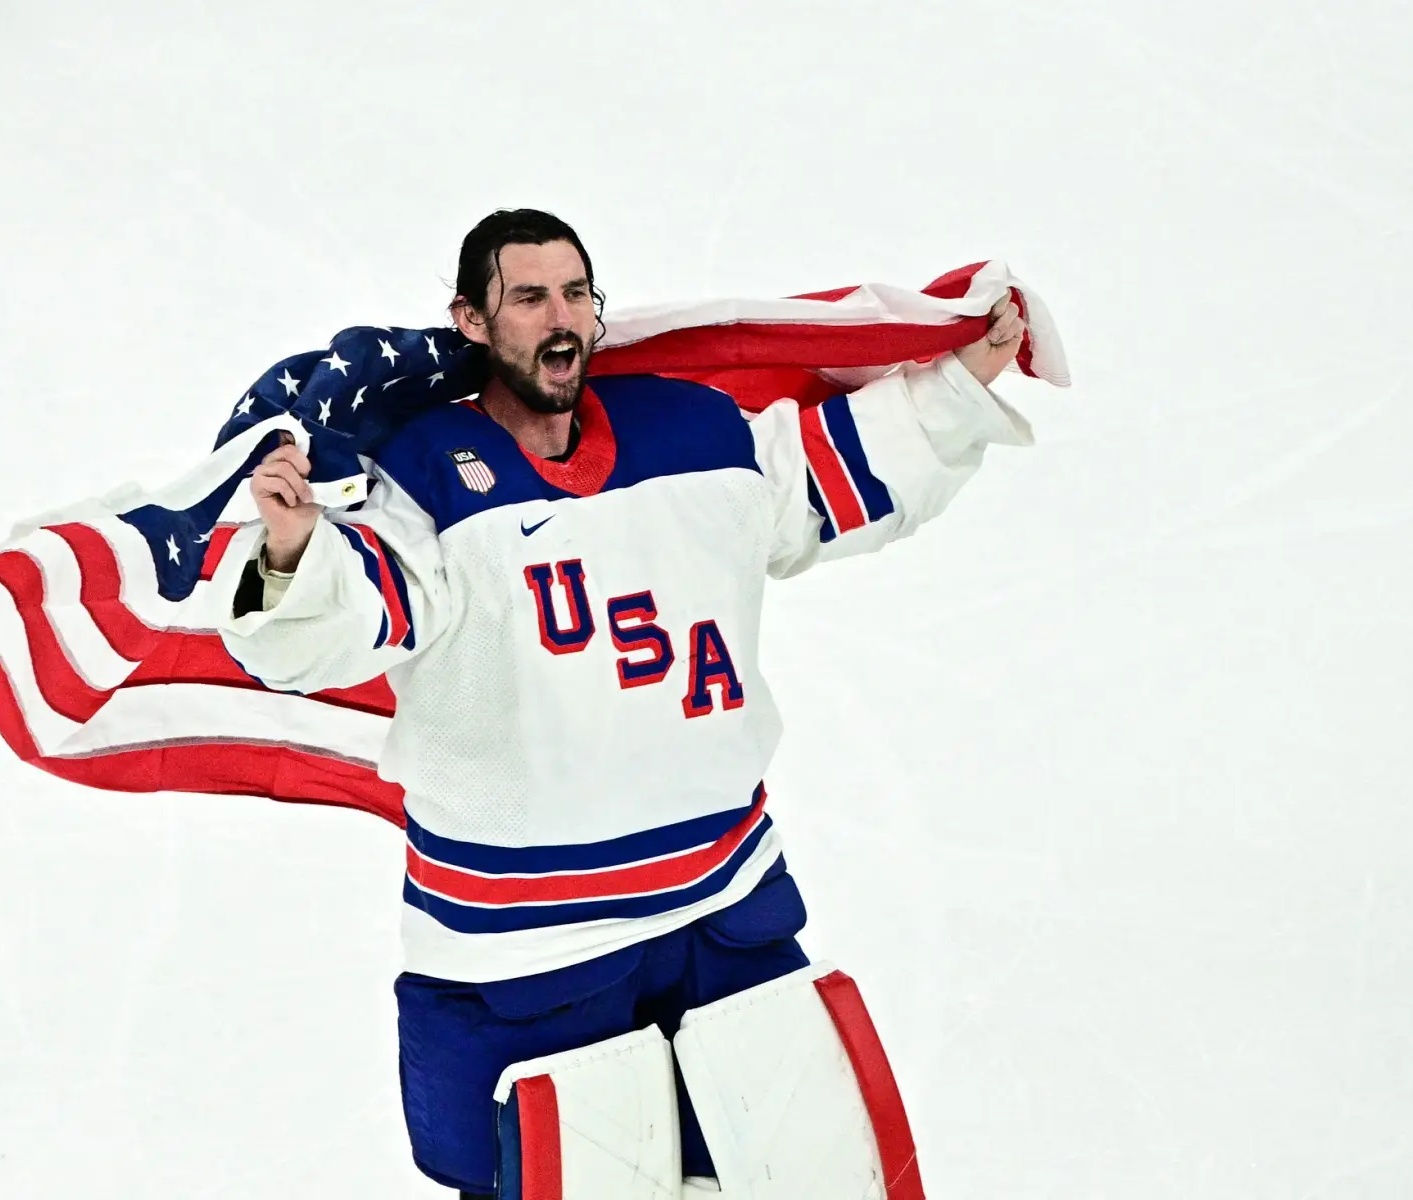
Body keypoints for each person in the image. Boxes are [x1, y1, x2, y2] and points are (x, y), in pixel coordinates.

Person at [214, 208, 1032, 1196]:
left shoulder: (689, 431)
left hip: (723, 904)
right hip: (530, 950)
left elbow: (825, 471)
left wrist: (959, 381)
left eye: (574, 293)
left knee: (803, 1176)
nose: (559, 317)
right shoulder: (423, 477)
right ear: (471, 320)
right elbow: (343, 621)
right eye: (527, 297)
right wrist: (292, 550)